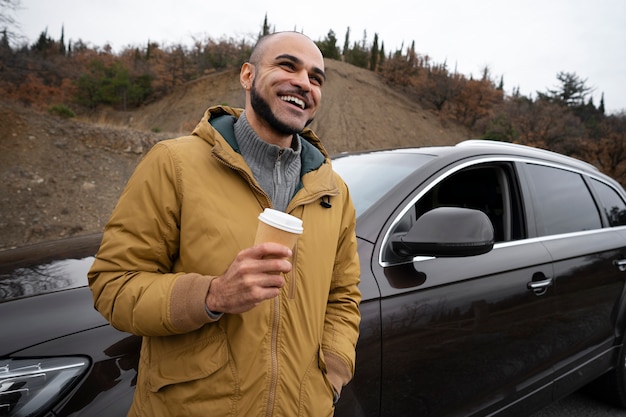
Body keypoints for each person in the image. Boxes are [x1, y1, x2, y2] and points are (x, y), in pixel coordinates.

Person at [88, 31, 361, 417]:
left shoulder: (334, 191)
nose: (304, 82)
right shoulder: (174, 164)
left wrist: (331, 373)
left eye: (316, 78)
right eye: (287, 65)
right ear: (247, 75)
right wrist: (212, 295)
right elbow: (113, 285)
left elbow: (343, 295)